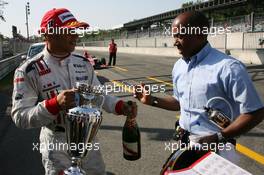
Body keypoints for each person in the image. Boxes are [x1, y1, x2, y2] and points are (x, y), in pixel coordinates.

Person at [11, 8, 136, 175]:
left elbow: (99, 95)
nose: (76, 35)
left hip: (88, 140)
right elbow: (20, 116)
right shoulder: (29, 70)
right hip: (56, 144)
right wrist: (53, 104)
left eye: (75, 30)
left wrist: (121, 106)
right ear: (50, 34)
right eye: (69, 31)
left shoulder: (83, 63)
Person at [134, 11, 264, 163]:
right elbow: (179, 102)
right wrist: (152, 100)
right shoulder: (179, 66)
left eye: (180, 35)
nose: (175, 42)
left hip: (218, 148)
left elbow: (255, 112)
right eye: (174, 36)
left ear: (201, 35)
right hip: (185, 142)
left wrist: (219, 137)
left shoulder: (228, 68)